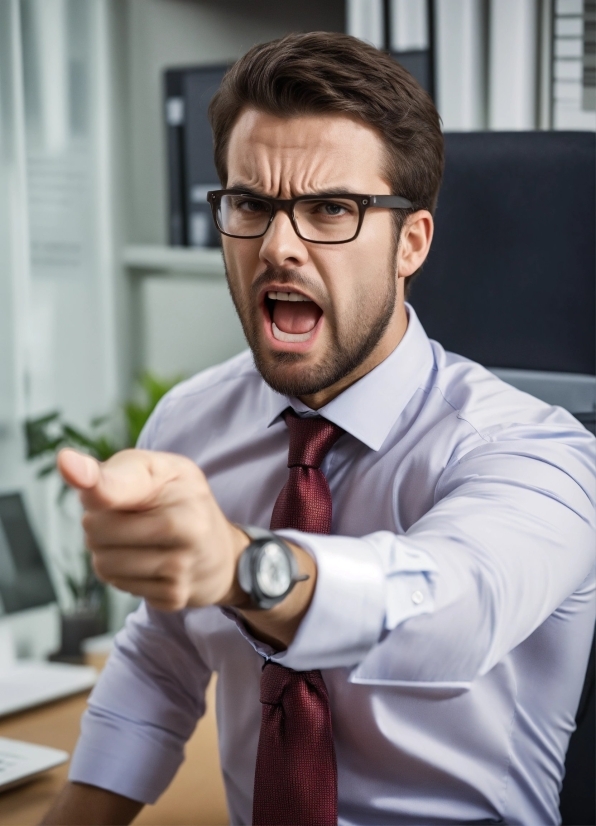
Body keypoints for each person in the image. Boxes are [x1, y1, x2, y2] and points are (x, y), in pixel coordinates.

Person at [43, 31, 595, 826]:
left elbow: (452, 613)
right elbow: (163, 662)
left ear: (411, 242)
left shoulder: (537, 450)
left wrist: (244, 568)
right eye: (250, 205)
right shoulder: (193, 423)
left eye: (330, 208)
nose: (277, 246)